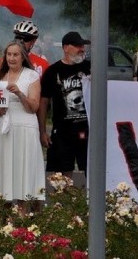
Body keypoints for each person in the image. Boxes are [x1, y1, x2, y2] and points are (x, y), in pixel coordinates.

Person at [0, 40, 45, 209]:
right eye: (9, 54)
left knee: (23, 173)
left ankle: (23, 217)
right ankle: (3, 218)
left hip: (24, 128)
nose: (11, 58)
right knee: (3, 174)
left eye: (15, 54)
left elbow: (33, 107)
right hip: (3, 130)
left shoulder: (31, 76)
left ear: (23, 57)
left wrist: (19, 93)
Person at [38, 31, 91, 178]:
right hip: (62, 131)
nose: (82, 49)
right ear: (66, 47)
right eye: (78, 46)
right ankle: (63, 201)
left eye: (83, 46)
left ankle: (91, 201)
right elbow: (43, 102)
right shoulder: (53, 71)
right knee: (62, 177)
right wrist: (42, 131)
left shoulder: (90, 68)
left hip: (87, 129)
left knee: (93, 173)